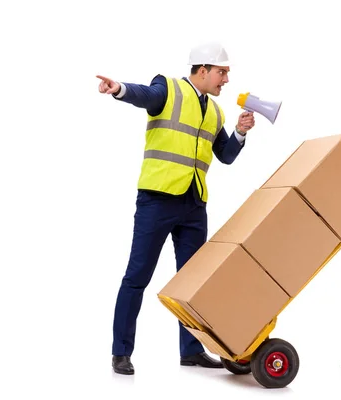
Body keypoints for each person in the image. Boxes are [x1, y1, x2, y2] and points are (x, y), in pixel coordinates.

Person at [96, 42, 256, 375]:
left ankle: (191, 350)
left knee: (194, 282)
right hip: (157, 199)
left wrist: (240, 133)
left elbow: (224, 155)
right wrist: (119, 89)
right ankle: (121, 352)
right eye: (222, 72)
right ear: (202, 70)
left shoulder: (215, 111)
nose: (225, 79)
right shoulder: (167, 89)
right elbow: (143, 94)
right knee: (137, 276)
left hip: (194, 204)